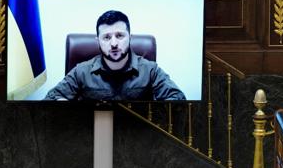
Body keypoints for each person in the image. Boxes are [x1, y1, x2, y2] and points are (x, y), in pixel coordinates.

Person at [44, 10, 185, 101]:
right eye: (106, 37)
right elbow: (50, 99)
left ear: (130, 37)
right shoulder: (82, 71)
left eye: (119, 36)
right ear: (98, 41)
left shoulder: (150, 70)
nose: (114, 44)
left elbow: (178, 98)